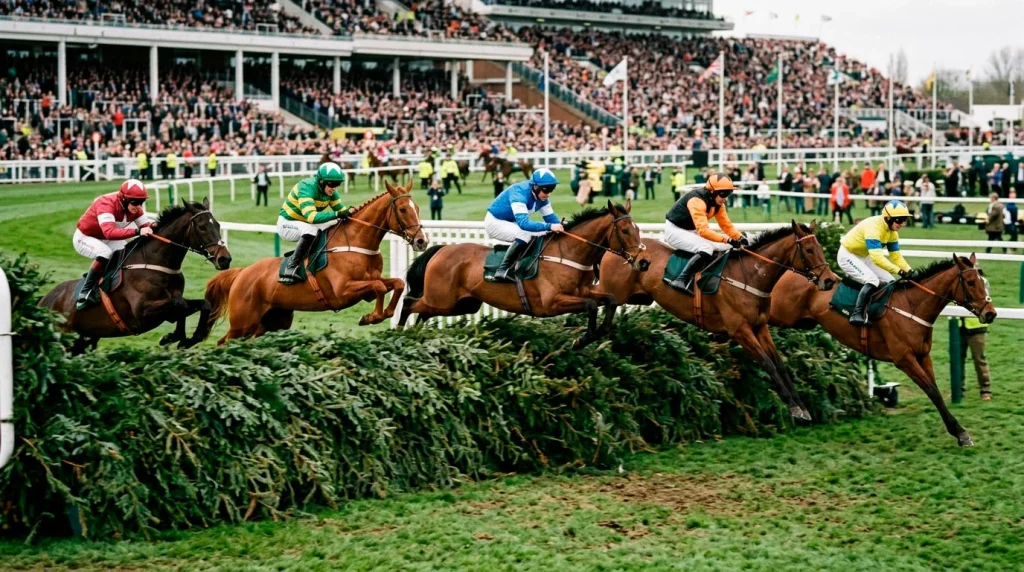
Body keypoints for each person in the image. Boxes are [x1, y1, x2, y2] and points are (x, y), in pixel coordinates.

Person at [73, 179, 153, 310]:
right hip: (86, 237)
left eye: (142, 202)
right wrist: (138, 231)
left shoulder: (136, 208)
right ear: (124, 199)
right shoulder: (106, 203)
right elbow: (109, 232)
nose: (138, 206)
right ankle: (85, 290)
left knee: (128, 254)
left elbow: (147, 226)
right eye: (135, 202)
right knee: (105, 253)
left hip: (107, 238)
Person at [662, 172, 746, 294]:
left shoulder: (717, 203)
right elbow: (703, 231)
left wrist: (740, 237)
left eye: (729, 193)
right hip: (674, 231)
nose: (726, 198)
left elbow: (726, 225)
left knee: (726, 246)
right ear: (712, 191)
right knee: (706, 247)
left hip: (690, 230)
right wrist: (727, 239)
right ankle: (681, 279)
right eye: (723, 194)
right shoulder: (696, 200)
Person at [838, 200, 914, 326]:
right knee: (872, 280)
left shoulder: (892, 233)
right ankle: (857, 314)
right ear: (888, 218)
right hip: (848, 255)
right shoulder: (873, 227)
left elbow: (895, 256)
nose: (902, 224)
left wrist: (910, 271)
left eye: (904, 219)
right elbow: (877, 258)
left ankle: (878, 311)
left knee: (890, 281)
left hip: (864, 256)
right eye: (900, 220)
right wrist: (899, 271)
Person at [277, 162, 354, 285]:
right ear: (321, 182)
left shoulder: (331, 193)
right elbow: (311, 217)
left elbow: (341, 212)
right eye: (332, 184)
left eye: (338, 184)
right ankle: (291, 266)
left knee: (336, 223)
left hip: (306, 224)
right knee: (311, 230)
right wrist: (336, 214)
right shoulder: (306, 187)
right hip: (287, 224)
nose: (334, 188)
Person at [484, 168, 563, 283]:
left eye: (552, 189)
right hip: (495, 221)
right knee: (525, 234)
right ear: (535, 187)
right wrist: (550, 226)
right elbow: (524, 224)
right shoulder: (519, 193)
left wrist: (561, 225)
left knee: (543, 232)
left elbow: (551, 219)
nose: (549, 194)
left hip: (511, 221)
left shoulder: (542, 197)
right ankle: (502, 270)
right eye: (547, 190)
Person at [959, 277, 992, 401]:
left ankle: (985, 390)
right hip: (958, 327)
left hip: (977, 327)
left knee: (979, 359)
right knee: (957, 360)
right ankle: (958, 390)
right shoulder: (956, 281)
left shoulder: (983, 282)